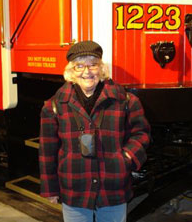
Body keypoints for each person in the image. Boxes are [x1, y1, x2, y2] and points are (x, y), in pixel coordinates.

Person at [39, 40, 150, 222]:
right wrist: (50, 189)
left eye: (93, 65)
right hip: (74, 189)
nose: (86, 72)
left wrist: (127, 157)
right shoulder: (53, 106)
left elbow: (142, 133)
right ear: (70, 71)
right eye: (79, 66)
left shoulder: (126, 100)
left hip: (113, 188)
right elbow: (47, 151)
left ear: (101, 68)